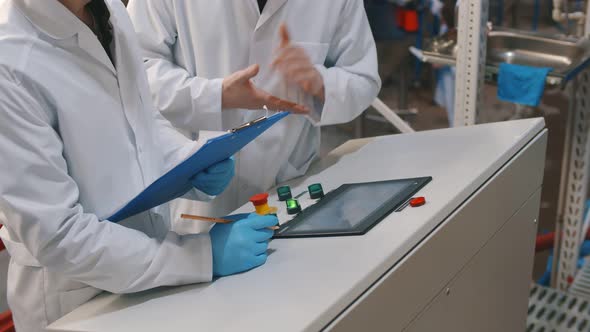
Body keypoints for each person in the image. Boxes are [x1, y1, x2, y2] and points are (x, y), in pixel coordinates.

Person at [0, 1, 277, 331]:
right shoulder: (10, 59)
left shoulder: (108, 10)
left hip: (150, 266)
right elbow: (58, 235)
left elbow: (140, 116)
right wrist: (199, 258)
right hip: (77, 297)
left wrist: (188, 161)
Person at [127, 0, 381, 229]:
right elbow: (133, 69)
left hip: (288, 184)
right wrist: (215, 96)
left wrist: (319, 84)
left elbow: (363, 79)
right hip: (193, 194)